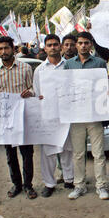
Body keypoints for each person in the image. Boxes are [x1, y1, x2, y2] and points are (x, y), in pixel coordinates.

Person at [0, 36, 37, 200]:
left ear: (13, 49)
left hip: (23, 118)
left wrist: (30, 93)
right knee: (10, 155)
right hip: (5, 120)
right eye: (0, 49)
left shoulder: (25, 68)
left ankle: (28, 185)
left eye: (6, 48)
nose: (3, 52)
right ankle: (16, 184)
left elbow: (33, 90)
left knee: (27, 154)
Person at [64, 32, 109, 200]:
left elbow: (105, 86)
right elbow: (64, 87)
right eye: (80, 43)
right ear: (76, 45)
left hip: (95, 114)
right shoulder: (68, 65)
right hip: (76, 116)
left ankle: (101, 186)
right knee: (78, 153)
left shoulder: (100, 63)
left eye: (86, 43)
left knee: (98, 153)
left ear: (91, 45)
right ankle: (79, 186)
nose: (83, 46)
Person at [33, 34, 75, 198]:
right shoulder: (40, 70)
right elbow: (37, 93)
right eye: (49, 45)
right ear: (45, 48)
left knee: (67, 149)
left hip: (66, 113)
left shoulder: (69, 66)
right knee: (48, 152)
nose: (53, 47)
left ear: (61, 46)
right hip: (48, 115)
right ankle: (49, 183)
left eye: (55, 44)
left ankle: (69, 179)